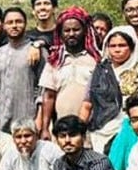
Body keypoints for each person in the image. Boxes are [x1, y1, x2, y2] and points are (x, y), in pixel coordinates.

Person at [80, 26, 138, 154]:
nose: (117, 50)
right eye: (113, 46)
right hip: (102, 130)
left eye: (122, 45)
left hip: (135, 129)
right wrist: (79, 128)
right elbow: (87, 103)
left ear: (132, 47)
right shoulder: (99, 72)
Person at [38, 7, 100, 138]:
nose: (71, 34)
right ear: (61, 33)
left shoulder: (96, 60)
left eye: (76, 30)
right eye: (67, 30)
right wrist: (45, 128)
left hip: (93, 131)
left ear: (85, 31)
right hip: (62, 131)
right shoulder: (54, 61)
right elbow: (49, 97)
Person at [0, 6, 39, 133]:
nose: (14, 26)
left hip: (29, 122)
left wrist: (40, 121)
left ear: (25, 24)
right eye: (10, 22)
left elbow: (44, 92)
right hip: (2, 123)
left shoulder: (37, 52)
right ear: (3, 26)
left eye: (18, 21)